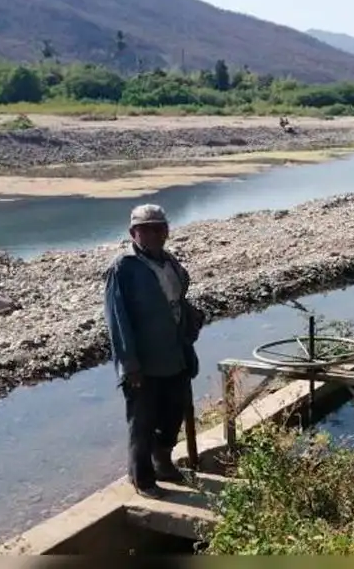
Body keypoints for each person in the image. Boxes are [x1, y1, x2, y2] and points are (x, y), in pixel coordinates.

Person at [103, 204, 205, 499]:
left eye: (159, 228)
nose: (153, 234)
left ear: (167, 231)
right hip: (144, 362)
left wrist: (192, 318)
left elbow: (177, 299)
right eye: (145, 229)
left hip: (175, 353)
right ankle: (142, 479)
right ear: (133, 233)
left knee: (174, 410)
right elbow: (117, 320)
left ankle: (163, 461)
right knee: (142, 421)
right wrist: (129, 366)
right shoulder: (122, 268)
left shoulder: (168, 261)